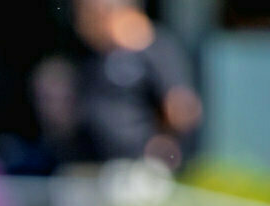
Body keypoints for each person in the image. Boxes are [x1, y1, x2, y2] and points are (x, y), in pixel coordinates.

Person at [72, 0, 202, 170]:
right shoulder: (94, 55)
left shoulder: (157, 48)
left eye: (88, 15)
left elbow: (183, 107)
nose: (81, 24)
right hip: (94, 165)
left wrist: (165, 145)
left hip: (138, 170)